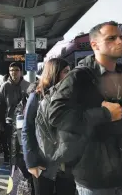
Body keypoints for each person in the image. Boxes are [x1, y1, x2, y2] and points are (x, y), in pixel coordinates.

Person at [48, 21, 122, 195]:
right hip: (97, 180)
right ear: (94, 45)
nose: (119, 42)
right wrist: (103, 114)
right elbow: (56, 115)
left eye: (120, 38)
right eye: (111, 38)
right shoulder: (78, 77)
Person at [22, 58, 75, 195]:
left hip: (67, 162)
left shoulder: (72, 96)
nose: (69, 75)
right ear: (54, 73)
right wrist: (31, 163)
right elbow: (27, 129)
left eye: (70, 71)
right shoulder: (37, 97)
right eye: (65, 72)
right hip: (43, 163)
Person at [0, 62, 30, 164]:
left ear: (21, 72)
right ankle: (13, 167)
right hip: (10, 122)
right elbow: (1, 105)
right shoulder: (5, 86)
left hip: (24, 123)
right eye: (11, 70)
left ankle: (23, 168)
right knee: (11, 147)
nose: (13, 72)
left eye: (16, 70)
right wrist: (1, 123)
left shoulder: (27, 85)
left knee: (23, 146)